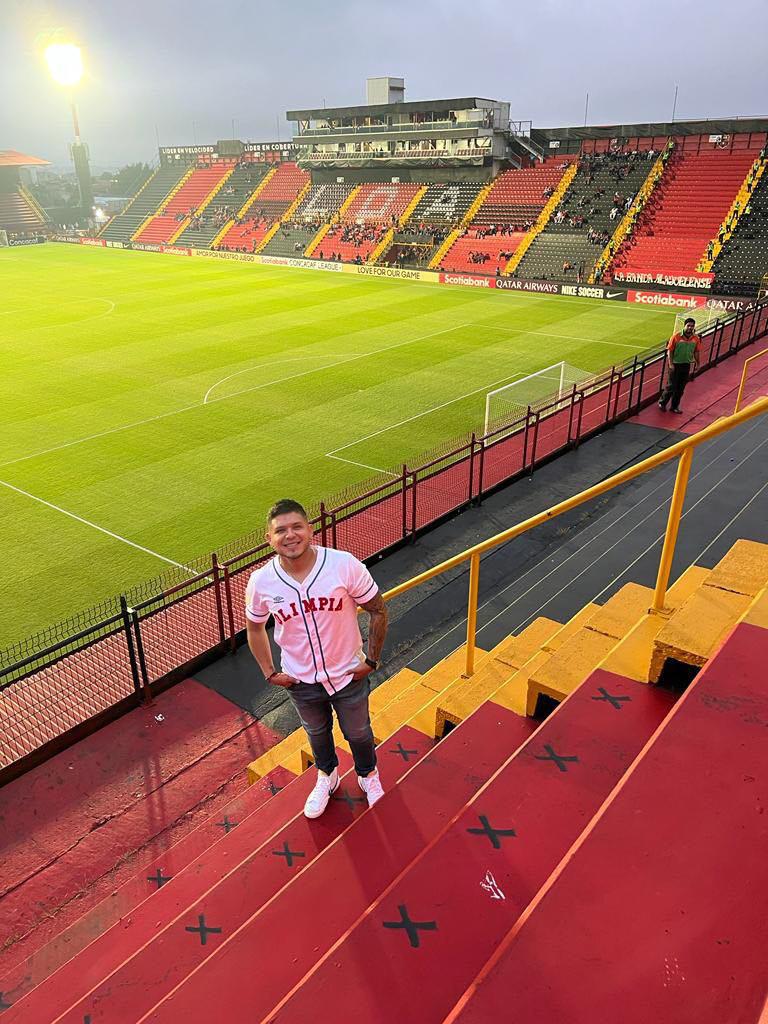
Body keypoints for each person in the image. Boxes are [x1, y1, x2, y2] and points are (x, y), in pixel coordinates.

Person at [245, 499, 389, 818]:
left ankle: (368, 775)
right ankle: (327, 775)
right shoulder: (261, 581)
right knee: (317, 733)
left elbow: (378, 609)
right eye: (280, 530)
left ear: (311, 530)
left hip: (348, 675)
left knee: (359, 733)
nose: (290, 535)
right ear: (269, 539)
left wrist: (372, 661)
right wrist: (270, 673)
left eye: (297, 526)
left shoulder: (343, 564)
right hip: (301, 681)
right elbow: (254, 628)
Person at [659, 318, 701, 413]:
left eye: (692, 326)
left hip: (686, 365)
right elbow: (670, 351)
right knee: (671, 386)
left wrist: (698, 363)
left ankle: (674, 407)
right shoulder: (676, 336)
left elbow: (697, 352)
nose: (690, 328)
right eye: (688, 325)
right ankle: (662, 402)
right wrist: (671, 364)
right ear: (684, 326)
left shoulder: (696, 338)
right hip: (675, 364)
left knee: (680, 388)